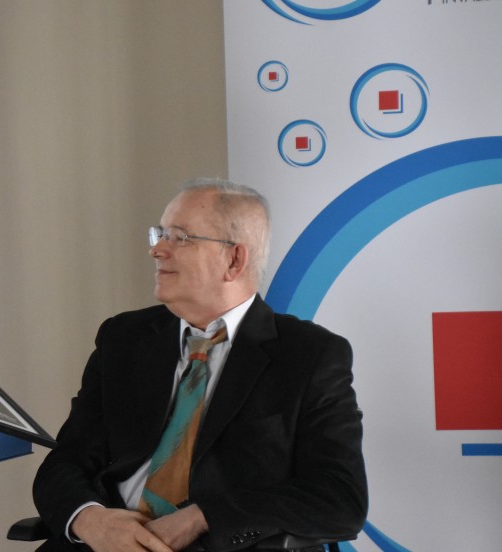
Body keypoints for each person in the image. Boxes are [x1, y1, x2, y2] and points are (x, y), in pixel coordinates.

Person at [32, 178, 368, 551]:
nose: (157, 250)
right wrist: (90, 520)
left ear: (234, 259)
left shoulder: (309, 355)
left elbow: (341, 501)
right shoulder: (124, 338)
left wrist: (203, 516)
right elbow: (65, 463)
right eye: (160, 234)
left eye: (180, 237)